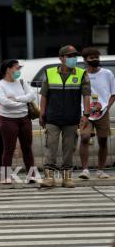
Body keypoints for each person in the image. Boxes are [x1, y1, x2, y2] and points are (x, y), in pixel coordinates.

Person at [39, 45, 91, 188]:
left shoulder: (81, 74)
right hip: (52, 117)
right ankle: (49, 178)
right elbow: (44, 95)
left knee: (69, 148)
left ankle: (66, 178)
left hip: (72, 118)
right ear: (61, 58)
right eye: (69, 56)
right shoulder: (49, 73)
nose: (73, 59)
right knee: (51, 146)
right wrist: (41, 113)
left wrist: (86, 114)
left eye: (74, 56)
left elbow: (86, 95)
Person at [0, 59, 36, 184]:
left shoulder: (22, 82)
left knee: (27, 147)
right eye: (17, 68)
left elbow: (32, 95)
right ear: (8, 69)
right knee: (8, 148)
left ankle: (31, 175)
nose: (19, 71)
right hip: (8, 120)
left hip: (25, 118)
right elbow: (4, 102)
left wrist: (17, 99)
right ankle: (6, 176)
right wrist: (23, 101)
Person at [78, 47, 114, 180]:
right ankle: (85, 170)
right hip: (85, 112)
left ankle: (100, 170)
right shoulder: (81, 74)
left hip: (102, 112)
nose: (95, 60)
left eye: (97, 57)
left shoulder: (107, 74)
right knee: (85, 137)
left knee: (103, 140)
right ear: (85, 60)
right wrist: (82, 110)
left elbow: (113, 93)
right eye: (92, 58)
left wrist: (106, 108)